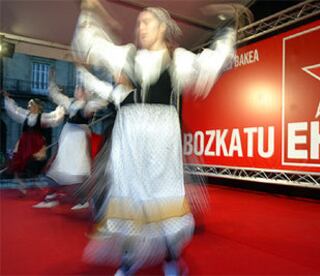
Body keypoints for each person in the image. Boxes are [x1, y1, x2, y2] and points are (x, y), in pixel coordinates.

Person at [72, 0, 235, 274]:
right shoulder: (126, 55)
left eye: (147, 21)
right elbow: (93, 44)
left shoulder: (179, 59)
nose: (140, 27)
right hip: (130, 137)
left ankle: (172, 258)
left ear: (162, 27)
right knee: (127, 193)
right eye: (139, 23)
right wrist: (89, 11)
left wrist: (228, 28)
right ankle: (128, 259)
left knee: (164, 195)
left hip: (162, 137)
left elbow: (212, 63)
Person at [33, 70, 107, 209]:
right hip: (68, 138)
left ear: (84, 92)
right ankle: (51, 197)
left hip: (78, 140)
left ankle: (83, 200)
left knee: (78, 169)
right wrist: (52, 82)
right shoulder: (71, 103)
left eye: (79, 89)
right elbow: (56, 96)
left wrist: (96, 94)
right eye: (76, 88)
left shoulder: (87, 105)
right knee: (59, 167)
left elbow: (98, 104)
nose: (76, 90)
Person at [2, 92, 65, 193]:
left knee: (32, 165)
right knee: (17, 165)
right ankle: (23, 186)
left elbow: (54, 118)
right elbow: (15, 110)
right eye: (28, 104)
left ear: (36, 106)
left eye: (30, 104)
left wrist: (60, 107)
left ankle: (37, 185)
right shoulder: (26, 115)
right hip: (24, 144)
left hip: (35, 144)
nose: (28, 106)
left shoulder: (42, 117)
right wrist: (8, 99)